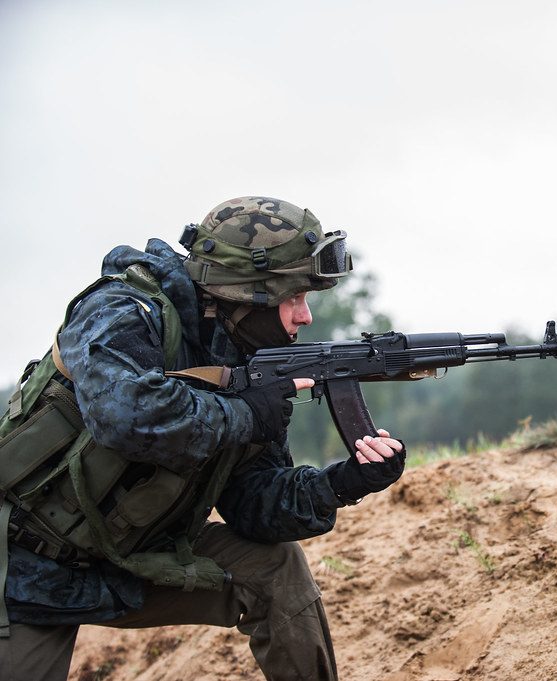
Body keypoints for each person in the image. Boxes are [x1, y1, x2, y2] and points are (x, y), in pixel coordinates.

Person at [0, 196, 406, 681]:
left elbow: (252, 505)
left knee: (275, 569)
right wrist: (245, 415)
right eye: (294, 298)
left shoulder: (249, 357)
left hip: (137, 555)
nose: (305, 317)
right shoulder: (123, 309)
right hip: (23, 568)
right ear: (246, 292)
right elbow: (124, 415)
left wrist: (340, 483)